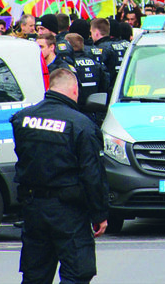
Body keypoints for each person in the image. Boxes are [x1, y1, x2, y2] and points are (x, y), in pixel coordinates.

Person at [10, 68, 109, 283]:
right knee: (77, 273)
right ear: (74, 90)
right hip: (69, 211)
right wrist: (99, 213)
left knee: (35, 275)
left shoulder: (22, 119)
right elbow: (92, 175)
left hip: (33, 208)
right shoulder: (82, 125)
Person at [65, 33, 109, 125]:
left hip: (75, 111)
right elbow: (105, 85)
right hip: (94, 112)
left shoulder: (67, 65)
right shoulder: (96, 64)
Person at [89, 19, 119, 93]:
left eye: (91, 32)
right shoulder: (117, 45)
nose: (90, 36)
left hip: (108, 91)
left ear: (96, 33)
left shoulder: (100, 49)